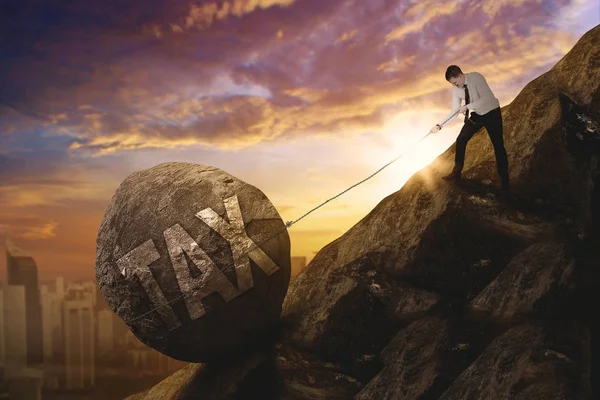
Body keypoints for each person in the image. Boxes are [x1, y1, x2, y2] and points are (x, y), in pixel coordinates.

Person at [430, 65, 510, 192]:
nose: (455, 86)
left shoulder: (476, 77)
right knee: (461, 139)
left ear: (461, 75)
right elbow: (455, 110)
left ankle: (505, 183)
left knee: (498, 147)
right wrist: (440, 125)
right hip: (478, 114)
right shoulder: (456, 89)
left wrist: (467, 106)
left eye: (455, 82)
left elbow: (487, 98)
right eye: (452, 84)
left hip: (492, 112)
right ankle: (456, 173)